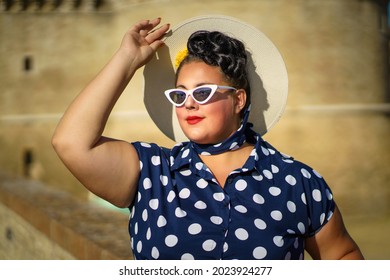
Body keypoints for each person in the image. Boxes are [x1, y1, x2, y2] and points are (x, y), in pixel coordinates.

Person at [52, 16, 364, 260]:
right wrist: (127, 59)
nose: (188, 103)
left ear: (239, 100)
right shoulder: (152, 171)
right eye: (180, 94)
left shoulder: (296, 182)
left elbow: (342, 255)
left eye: (203, 92)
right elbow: (71, 143)